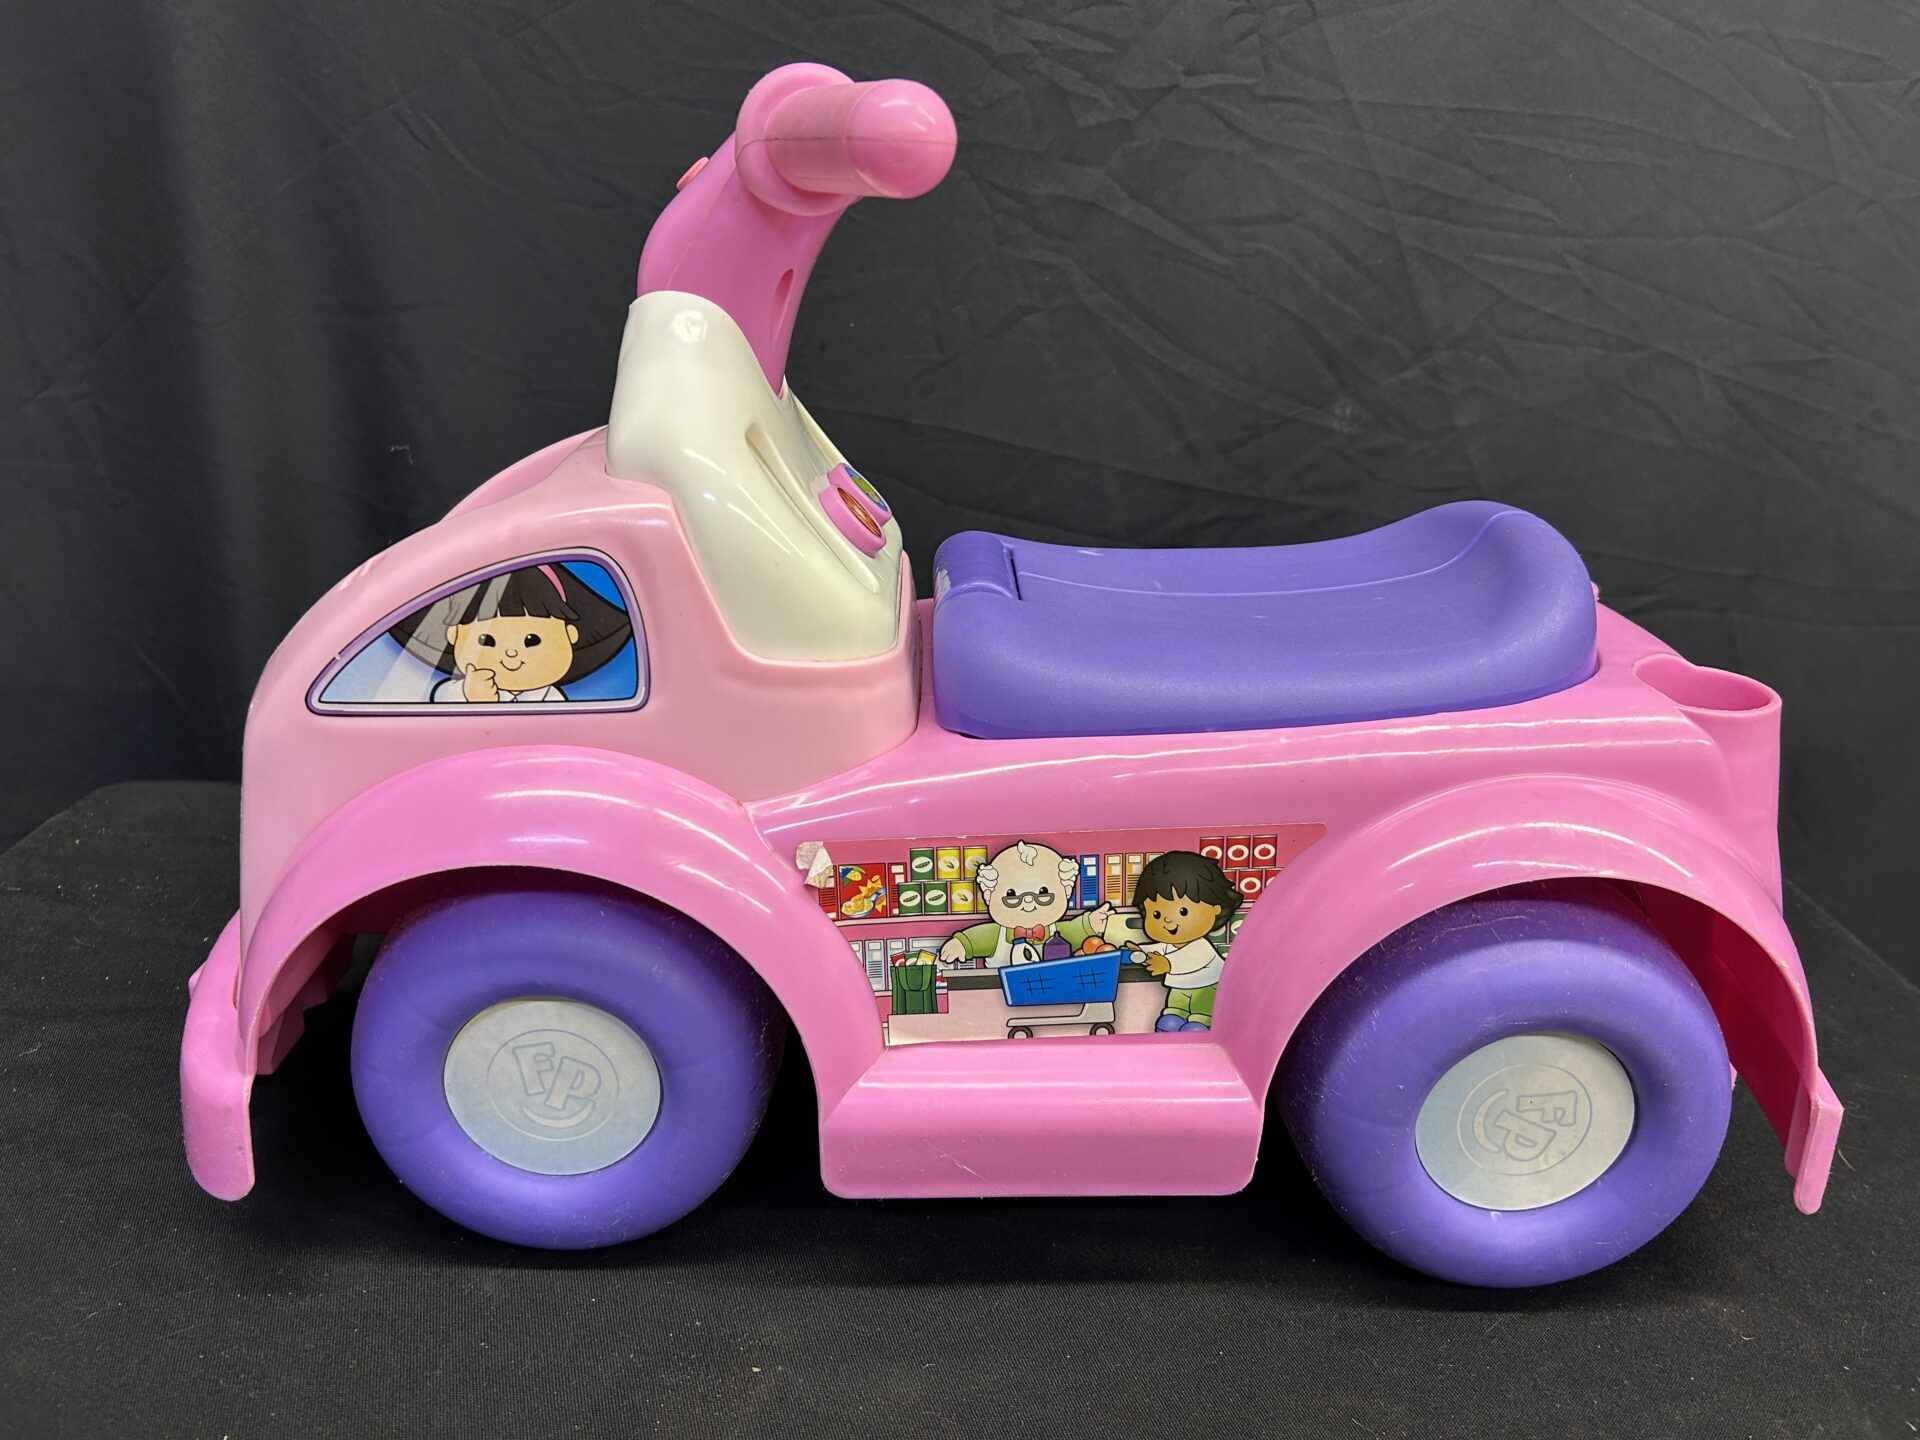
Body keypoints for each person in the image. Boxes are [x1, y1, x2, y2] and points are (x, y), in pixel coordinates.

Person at [385, 562, 632, 703]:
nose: (512, 653)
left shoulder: (553, 699)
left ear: (570, 634)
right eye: (486, 640)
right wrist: (471, 698)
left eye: (532, 640)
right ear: (454, 635)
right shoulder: (457, 691)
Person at [938, 840, 1114, 969]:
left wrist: (1090, 923)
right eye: (1012, 895)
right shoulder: (997, 935)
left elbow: (1075, 930)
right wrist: (961, 944)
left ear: (1065, 891)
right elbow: (976, 938)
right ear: (990, 895)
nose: (1028, 901)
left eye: (1043, 893)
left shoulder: (1057, 932)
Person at [1127, 851, 1240, 1032]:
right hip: (1179, 989)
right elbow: (1160, 948)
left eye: (1183, 912)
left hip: (1206, 989)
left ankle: (1200, 1023)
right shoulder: (1170, 943)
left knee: (1198, 1018)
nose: (1167, 920)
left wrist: (1167, 965)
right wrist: (1140, 949)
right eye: (1156, 914)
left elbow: (1189, 960)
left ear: (1215, 908)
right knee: (1172, 1016)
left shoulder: (1202, 946)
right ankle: (1174, 1018)